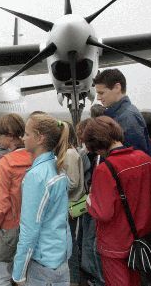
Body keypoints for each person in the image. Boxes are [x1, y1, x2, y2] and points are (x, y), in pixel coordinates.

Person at [83, 116, 151, 286]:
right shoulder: (145, 159)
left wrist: (90, 200)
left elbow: (103, 212)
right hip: (143, 238)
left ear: (95, 143)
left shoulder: (105, 168)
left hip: (115, 243)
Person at [12, 114, 71, 285]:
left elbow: (30, 230)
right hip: (59, 256)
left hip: (43, 265)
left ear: (40, 138)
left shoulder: (36, 176)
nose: (22, 138)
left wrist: (18, 274)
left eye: (27, 134)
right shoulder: (56, 165)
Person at [0, 113, 31, 286]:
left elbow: (1, 204)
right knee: (24, 274)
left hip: (9, 227)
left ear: (10, 135)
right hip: (31, 226)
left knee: (1, 276)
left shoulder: (5, 163)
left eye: (0, 135)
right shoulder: (36, 158)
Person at [94, 69, 151, 158]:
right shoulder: (123, 114)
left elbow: (134, 161)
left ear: (117, 88)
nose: (98, 98)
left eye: (101, 93)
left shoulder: (127, 118)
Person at [76, 119, 105, 286]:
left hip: (90, 203)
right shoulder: (97, 155)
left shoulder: (85, 155)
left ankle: (94, 276)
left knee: (89, 239)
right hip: (92, 202)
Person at [63, 121, 85, 286]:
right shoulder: (71, 152)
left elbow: (72, 182)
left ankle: (73, 280)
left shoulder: (70, 154)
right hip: (69, 206)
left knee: (70, 244)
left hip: (70, 206)